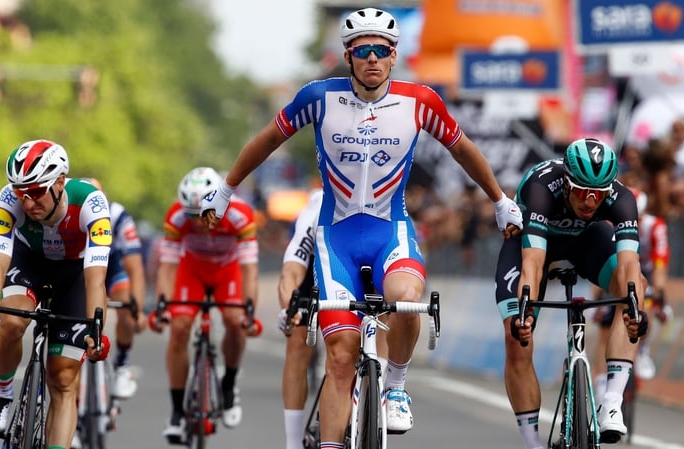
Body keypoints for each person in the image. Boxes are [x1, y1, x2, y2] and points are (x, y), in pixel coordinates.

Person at [200, 8, 523, 448]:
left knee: (407, 299)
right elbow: (269, 139)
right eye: (363, 50)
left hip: (390, 229)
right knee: (340, 356)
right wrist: (226, 189)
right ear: (349, 56)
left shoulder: (419, 101)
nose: (373, 58)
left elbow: (462, 149)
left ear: (394, 56)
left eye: (382, 50)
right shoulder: (318, 97)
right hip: (337, 238)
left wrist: (500, 201)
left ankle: (396, 386)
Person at [494, 138, 647, 448]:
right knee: (516, 336)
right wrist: (525, 311)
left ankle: (612, 401)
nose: (590, 202)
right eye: (581, 192)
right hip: (535, 243)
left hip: (587, 240)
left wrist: (636, 310)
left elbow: (629, 263)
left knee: (634, 287)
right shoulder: (541, 187)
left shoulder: (622, 198)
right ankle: (532, 441)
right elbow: (534, 263)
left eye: (598, 195)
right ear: (566, 181)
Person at [0, 139, 111, 449]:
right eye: (21, 194)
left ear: (60, 181)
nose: (28, 203)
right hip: (29, 262)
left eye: (35, 192)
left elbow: (96, 279)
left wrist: (97, 332)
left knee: (62, 379)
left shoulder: (91, 204)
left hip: (74, 274)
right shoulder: (9, 199)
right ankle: (3, 395)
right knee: (10, 322)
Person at [151, 166, 259, 444]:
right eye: (191, 215)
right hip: (193, 272)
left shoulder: (240, 215)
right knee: (179, 327)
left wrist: (250, 311)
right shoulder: (176, 217)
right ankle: (176, 411)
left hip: (228, 271)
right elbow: (167, 267)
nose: (197, 222)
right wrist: (162, 306)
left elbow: (249, 270)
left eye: (202, 214)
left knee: (236, 322)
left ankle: (229, 384)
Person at [592, 187, 670, 398]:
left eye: (639, 220)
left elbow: (660, 265)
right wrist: (598, 297)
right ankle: (600, 381)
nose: (635, 225)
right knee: (604, 328)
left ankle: (642, 348)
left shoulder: (656, 227)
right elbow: (599, 263)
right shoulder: (609, 223)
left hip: (644, 270)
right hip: (616, 267)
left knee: (647, 298)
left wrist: (660, 296)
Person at [84, 178, 148, 398]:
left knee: (126, 306)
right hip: (80, 267)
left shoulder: (118, 215)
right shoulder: (70, 214)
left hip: (113, 266)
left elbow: (136, 269)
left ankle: (122, 364)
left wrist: (136, 310)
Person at [277, 189, 322, 449]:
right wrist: (289, 309)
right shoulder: (312, 215)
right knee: (297, 343)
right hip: (313, 265)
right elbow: (290, 273)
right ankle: (293, 443)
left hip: (356, 258)